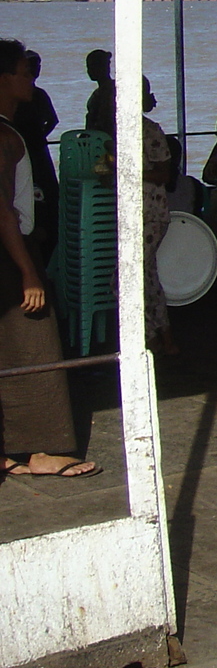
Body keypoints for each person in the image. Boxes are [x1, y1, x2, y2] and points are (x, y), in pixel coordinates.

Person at [0, 39, 99, 481]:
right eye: (25, 72)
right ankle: (41, 450)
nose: (32, 80)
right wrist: (28, 272)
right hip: (9, 254)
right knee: (37, 343)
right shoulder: (4, 136)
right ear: (4, 78)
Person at [141, 79, 178, 356]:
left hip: (151, 214)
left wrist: (130, 174)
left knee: (123, 280)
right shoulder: (119, 132)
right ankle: (165, 337)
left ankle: (149, 336)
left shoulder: (150, 131)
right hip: (138, 214)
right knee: (149, 278)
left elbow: (165, 174)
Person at [12, 50, 58, 258]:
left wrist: (40, 135)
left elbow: (52, 120)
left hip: (38, 150)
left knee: (47, 194)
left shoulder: (38, 95)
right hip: (25, 150)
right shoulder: (21, 97)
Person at [84, 48, 113, 134]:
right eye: (88, 67)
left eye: (92, 67)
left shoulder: (107, 91)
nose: (89, 71)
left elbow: (104, 122)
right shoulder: (102, 91)